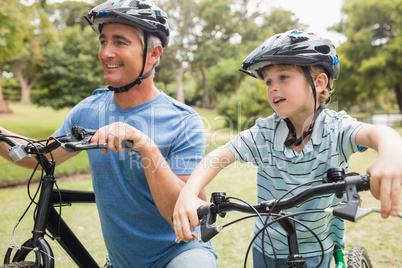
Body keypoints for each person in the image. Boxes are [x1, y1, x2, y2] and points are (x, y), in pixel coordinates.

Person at [0, 0, 217, 267]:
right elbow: (38, 156)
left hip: (181, 254)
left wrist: (146, 146)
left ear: (153, 54)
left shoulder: (183, 121)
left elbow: (185, 215)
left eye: (120, 42)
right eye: (103, 42)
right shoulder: (87, 112)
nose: (106, 52)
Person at [173, 30, 402, 267]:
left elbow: (377, 134)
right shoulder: (264, 133)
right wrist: (189, 192)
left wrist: (392, 150)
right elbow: (220, 155)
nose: (272, 87)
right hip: (266, 245)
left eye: (283, 77)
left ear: (319, 82)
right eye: (269, 80)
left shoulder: (337, 128)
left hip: (317, 246)